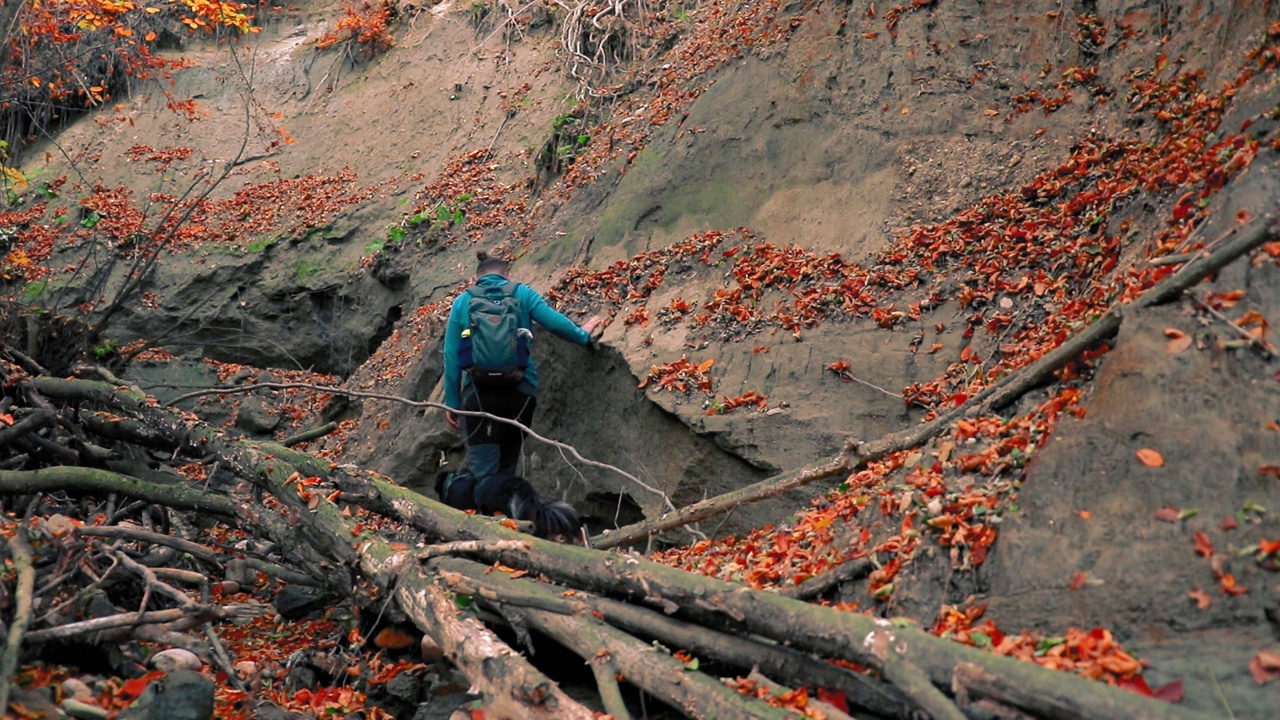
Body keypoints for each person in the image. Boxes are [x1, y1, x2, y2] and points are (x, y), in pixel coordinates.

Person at [439, 251, 602, 535]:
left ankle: (488, 540)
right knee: (505, 473)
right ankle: (513, 534)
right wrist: (583, 334)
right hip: (521, 394)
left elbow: (451, 355)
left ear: (475, 278)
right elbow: (553, 322)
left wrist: (452, 403)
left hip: (479, 399)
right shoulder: (522, 293)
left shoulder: (463, 301)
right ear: (508, 275)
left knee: (484, 477)